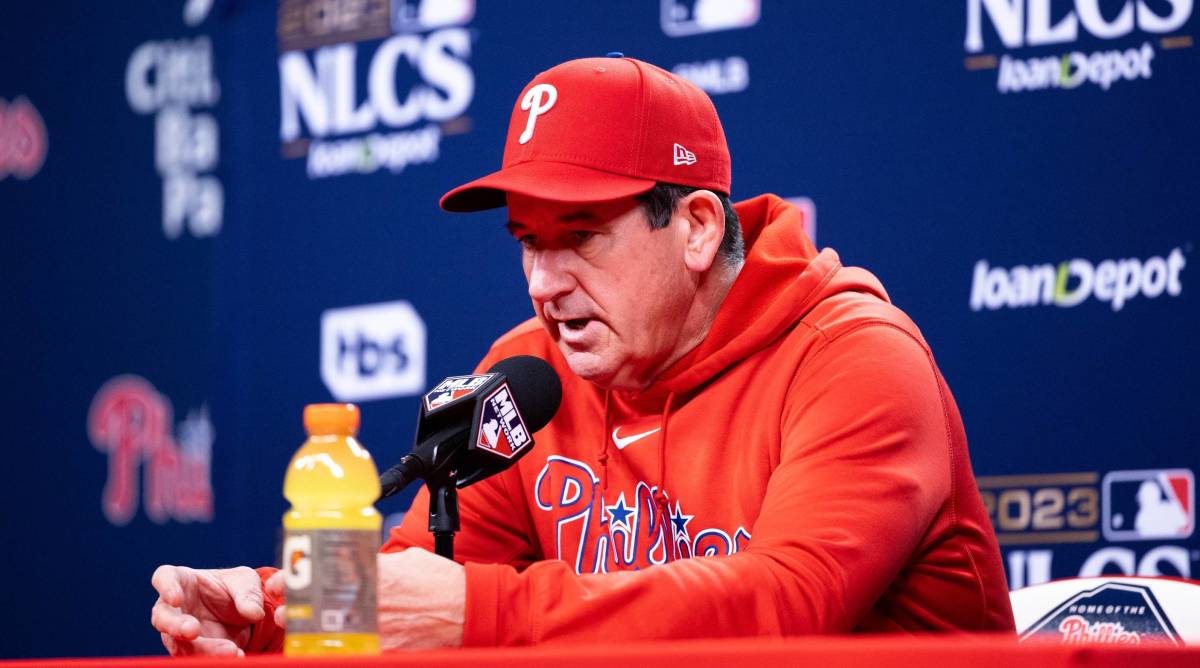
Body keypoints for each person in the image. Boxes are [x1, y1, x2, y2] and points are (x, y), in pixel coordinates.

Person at [150, 55, 1015, 655]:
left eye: (580, 237)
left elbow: (787, 607)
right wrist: (267, 612)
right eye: (526, 240)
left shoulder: (852, 358)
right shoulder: (529, 373)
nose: (542, 280)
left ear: (696, 229)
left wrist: (481, 614)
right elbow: (421, 588)